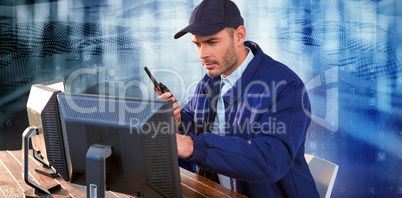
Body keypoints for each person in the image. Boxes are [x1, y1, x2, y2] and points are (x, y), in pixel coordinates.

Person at [157, 0, 319, 197]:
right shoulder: (210, 82)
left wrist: (191, 146)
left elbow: (270, 159)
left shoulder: (286, 86)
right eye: (197, 44)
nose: (203, 54)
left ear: (239, 35)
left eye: (212, 42)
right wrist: (179, 121)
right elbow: (196, 126)